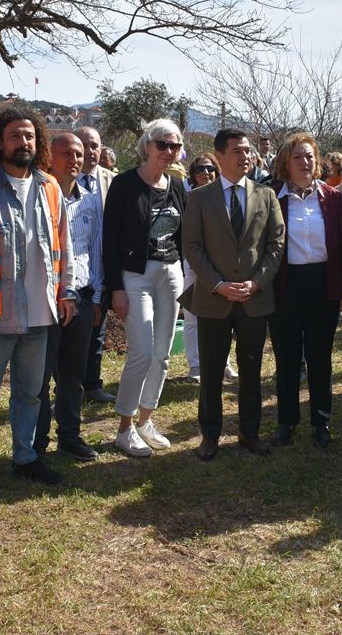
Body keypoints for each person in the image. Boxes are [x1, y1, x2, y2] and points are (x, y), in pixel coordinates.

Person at [0, 107, 76, 500]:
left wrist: (67, 291)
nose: (23, 142)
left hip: (41, 313)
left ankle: (25, 457)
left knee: (30, 393)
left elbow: (65, 247)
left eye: (28, 136)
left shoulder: (51, 188)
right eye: (14, 136)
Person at [182, 128, 285, 460]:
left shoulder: (266, 195)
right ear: (220, 156)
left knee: (251, 370)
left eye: (248, 150)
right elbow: (192, 247)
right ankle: (210, 435)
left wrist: (255, 283)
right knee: (211, 372)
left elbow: (276, 244)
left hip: (253, 299)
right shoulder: (199, 197)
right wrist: (217, 284)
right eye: (238, 151)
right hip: (214, 300)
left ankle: (249, 433)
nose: (246, 156)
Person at [103, 120, 187, 457]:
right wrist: (115, 288)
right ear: (147, 146)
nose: (169, 151)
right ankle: (124, 428)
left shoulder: (178, 186)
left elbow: (185, 234)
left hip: (171, 272)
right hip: (135, 275)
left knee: (163, 354)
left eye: (175, 146)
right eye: (163, 144)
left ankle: (146, 420)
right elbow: (109, 241)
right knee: (141, 351)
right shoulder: (124, 185)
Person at [267, 133, 342, 448]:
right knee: (286, 357)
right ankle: (286, 423)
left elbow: (341, 245)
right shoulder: (271, 196)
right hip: (285, 285)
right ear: (285, 164)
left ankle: (321, 422)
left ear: (317, 162)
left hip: (322, 284)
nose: (305, 162)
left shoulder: (331, 197)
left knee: (320, 356)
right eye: (298, 157)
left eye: (309, 156)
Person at [33, 134, 102, 462]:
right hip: (46, 300)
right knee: (40, 377)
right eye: (67, 153)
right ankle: (37, 443)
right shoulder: (36, 197)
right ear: (49, 157)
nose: (75, 159)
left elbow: (96, 250)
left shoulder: (90, 199)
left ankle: (70, 436)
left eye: (80, 153)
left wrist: (98, 296)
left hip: (84, 298)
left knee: (73, 375)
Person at [74, 126, 117, 405]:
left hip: (103, 268)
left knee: (97, 330)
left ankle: (92, 384)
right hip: (73, 269)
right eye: (85, 146)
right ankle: (68, 387)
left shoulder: (113, 181)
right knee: (70, 335)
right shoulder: (58, 181)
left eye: (95, 146)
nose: (90, 152)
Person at [182, 154, 220, 381]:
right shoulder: (188, 198)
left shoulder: (226, 196)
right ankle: (195, 365)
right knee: (192, 316)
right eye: (200, 170)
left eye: (210, 168)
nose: (206, 173)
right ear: (193, 175)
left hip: (220, 264)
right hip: (193, 263)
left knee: (221, 317)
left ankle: (223, 363)